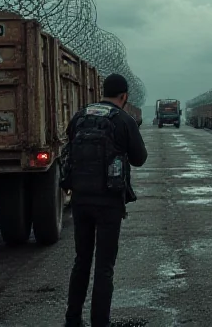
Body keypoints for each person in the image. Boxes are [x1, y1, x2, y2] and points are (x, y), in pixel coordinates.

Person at [63, 73, 148, 327]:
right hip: (109, 202)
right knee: (104, 266)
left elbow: (70, 144)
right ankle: (100, 322)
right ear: (124, 96)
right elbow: (139, 158)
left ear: (102, 92)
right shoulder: (123, 119)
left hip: (80, 199)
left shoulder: (80, 116)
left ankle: (72, 319)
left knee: (82, 261)